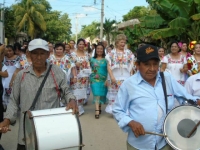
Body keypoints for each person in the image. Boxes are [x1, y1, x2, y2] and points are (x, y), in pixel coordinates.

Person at [113, 44, 200, 150]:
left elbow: (186, 98)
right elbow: (118, 110)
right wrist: (130, 122)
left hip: (165, 142)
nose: (152, 69)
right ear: (137, 65)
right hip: (139, 145)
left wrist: (197, 102)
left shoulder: (167, 78)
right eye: (147, 64)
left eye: (155, 64)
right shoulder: (128, 85)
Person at [0, 39, 78, 150]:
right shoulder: (22, 75)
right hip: (26, 133)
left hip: (50, 132)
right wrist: (7, 120)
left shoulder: (57, 72)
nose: (39, 57)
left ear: (48, 54)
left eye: (42, 53)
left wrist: (72, 100)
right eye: (35, 53)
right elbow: (13, 101)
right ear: (29, 54)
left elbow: (67, 91)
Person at [105, 34, 135, 114]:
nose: (123, 44)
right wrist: (112, 77)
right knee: (114, 95)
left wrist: (131, 76)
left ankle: (125, 110)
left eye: (124, 42)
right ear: (117, 43)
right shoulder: (111, 53)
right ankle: (113, 110)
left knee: (125, 94)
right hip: (115, 77)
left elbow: (131, 65)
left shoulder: (128, 53)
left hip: (126, 77)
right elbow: (108, 66)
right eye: (121, 42)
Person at [90, 43, 107, 119]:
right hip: (94, 79)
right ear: (95, 50)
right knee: (96, 94)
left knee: (101, 94)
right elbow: (88, 69)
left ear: (103, 50)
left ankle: (99, 106)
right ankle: (97, 110)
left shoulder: (106, 60)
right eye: (98, 49)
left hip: (103, 79)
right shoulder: (91, 60)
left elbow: (109, 70)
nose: (99, 50)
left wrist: (107, 79)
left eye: (101, 49)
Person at [2, 45, 20, 110]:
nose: (9, 53)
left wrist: (12, 80)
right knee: (5, 96)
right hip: (4, 79)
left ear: (13, 51)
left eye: (10, 51)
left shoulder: (18, 58)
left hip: (14, 79)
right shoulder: (3, 58)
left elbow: (18, 70)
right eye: (7, 51)